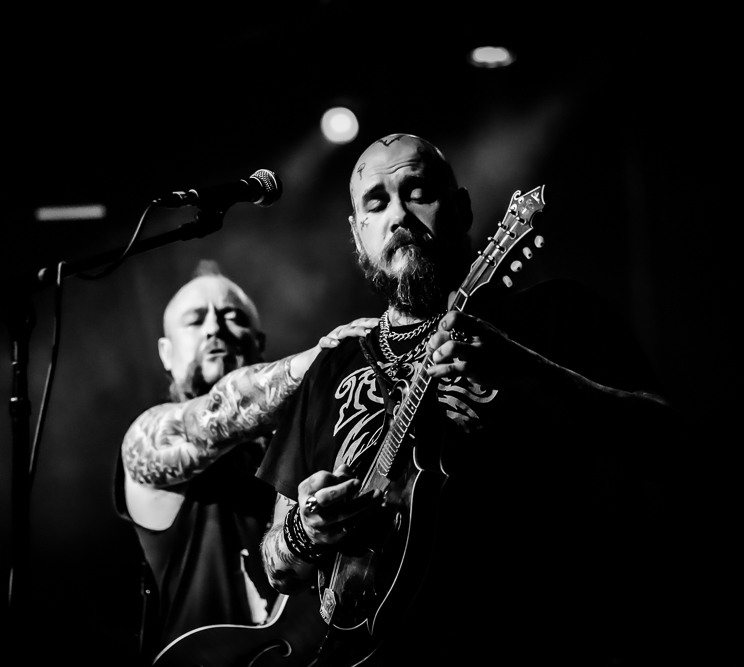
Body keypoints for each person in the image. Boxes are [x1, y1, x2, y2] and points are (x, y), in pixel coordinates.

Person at [258, 134, 679, 665]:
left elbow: (668, 442)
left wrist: (524, 369)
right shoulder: (331, 365)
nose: (399, 215)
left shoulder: (553, 316)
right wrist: (304, 531)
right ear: (356, 232)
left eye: (417, 192)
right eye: (376, 202)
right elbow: (278, 567)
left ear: (460, 208)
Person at [114, 260, 377, 663]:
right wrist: (319, 362)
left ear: (259, 342)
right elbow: (223, 410)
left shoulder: (300, 445)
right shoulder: (151, 438)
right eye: (195, 319)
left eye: (232, 315)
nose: (214, 327)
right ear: (166, 353)